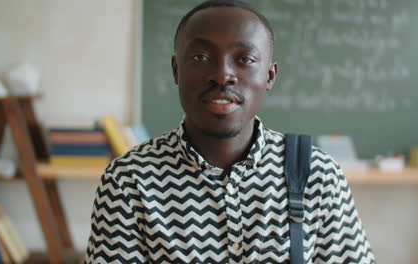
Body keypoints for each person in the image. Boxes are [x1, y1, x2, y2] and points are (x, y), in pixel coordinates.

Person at [84, 0, 375, 263]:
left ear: (270, 75)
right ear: (176, 70)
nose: (222, 75)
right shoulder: (129, 180)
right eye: (200, 57)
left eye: (245, 59)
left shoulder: (316, 174)